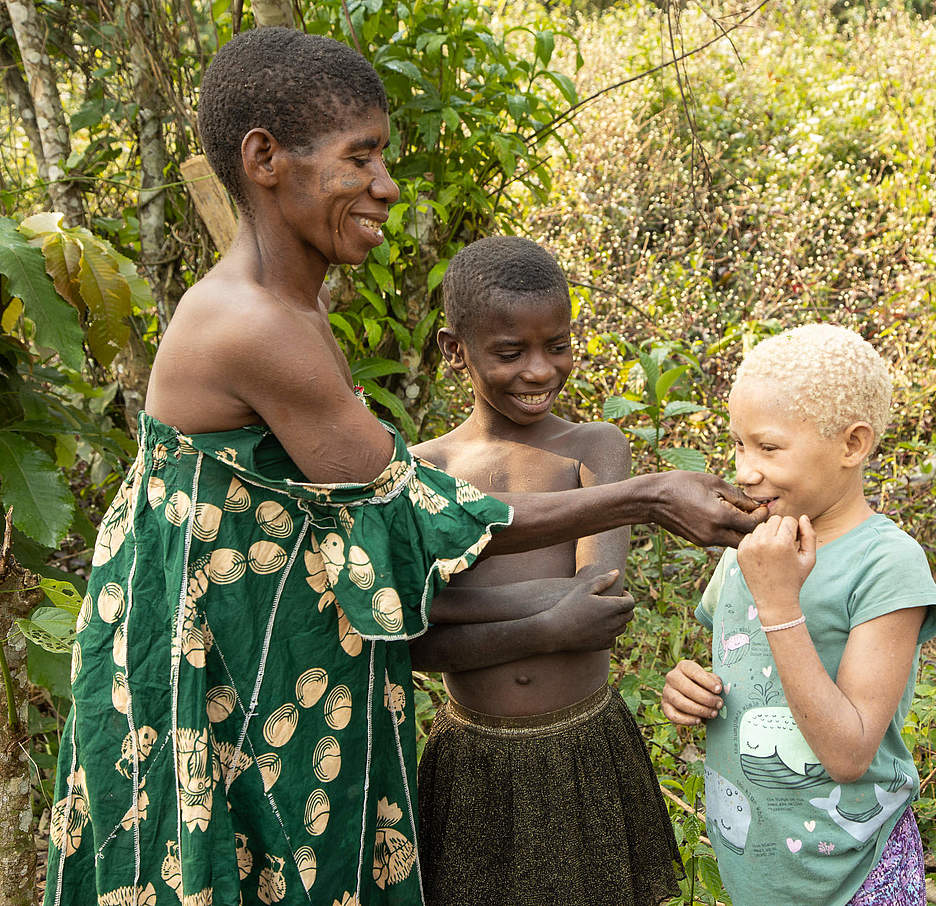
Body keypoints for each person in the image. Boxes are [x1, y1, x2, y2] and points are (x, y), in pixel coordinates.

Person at [41, 28, 761, 906]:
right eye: (362, 157)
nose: (385, 185)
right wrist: (648, 496)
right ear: (265, 158)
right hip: (221, 666)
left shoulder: (287, 311)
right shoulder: (254, 324)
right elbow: (412, 517)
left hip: (264, 665)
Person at [402, 236, 683, 905]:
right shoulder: (424, 470)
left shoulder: (593, 449)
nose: (539, 370)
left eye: (556, 344)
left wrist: (444, 606)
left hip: (583, 746)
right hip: (474, 757)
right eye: (510, 352)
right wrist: (553, 617)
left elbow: (598, 610)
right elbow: (415, 644)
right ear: (454, 350)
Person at [659, 324, 936, 906]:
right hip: (761, 870)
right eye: (738, 444)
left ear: (852, 445)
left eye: (768, 448)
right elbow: (744, 670)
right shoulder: (757, 546)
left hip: (853, 872)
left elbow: (849, 753)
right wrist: (687, 686)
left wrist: (779, 604)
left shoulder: (887, 565)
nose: (743, 470)